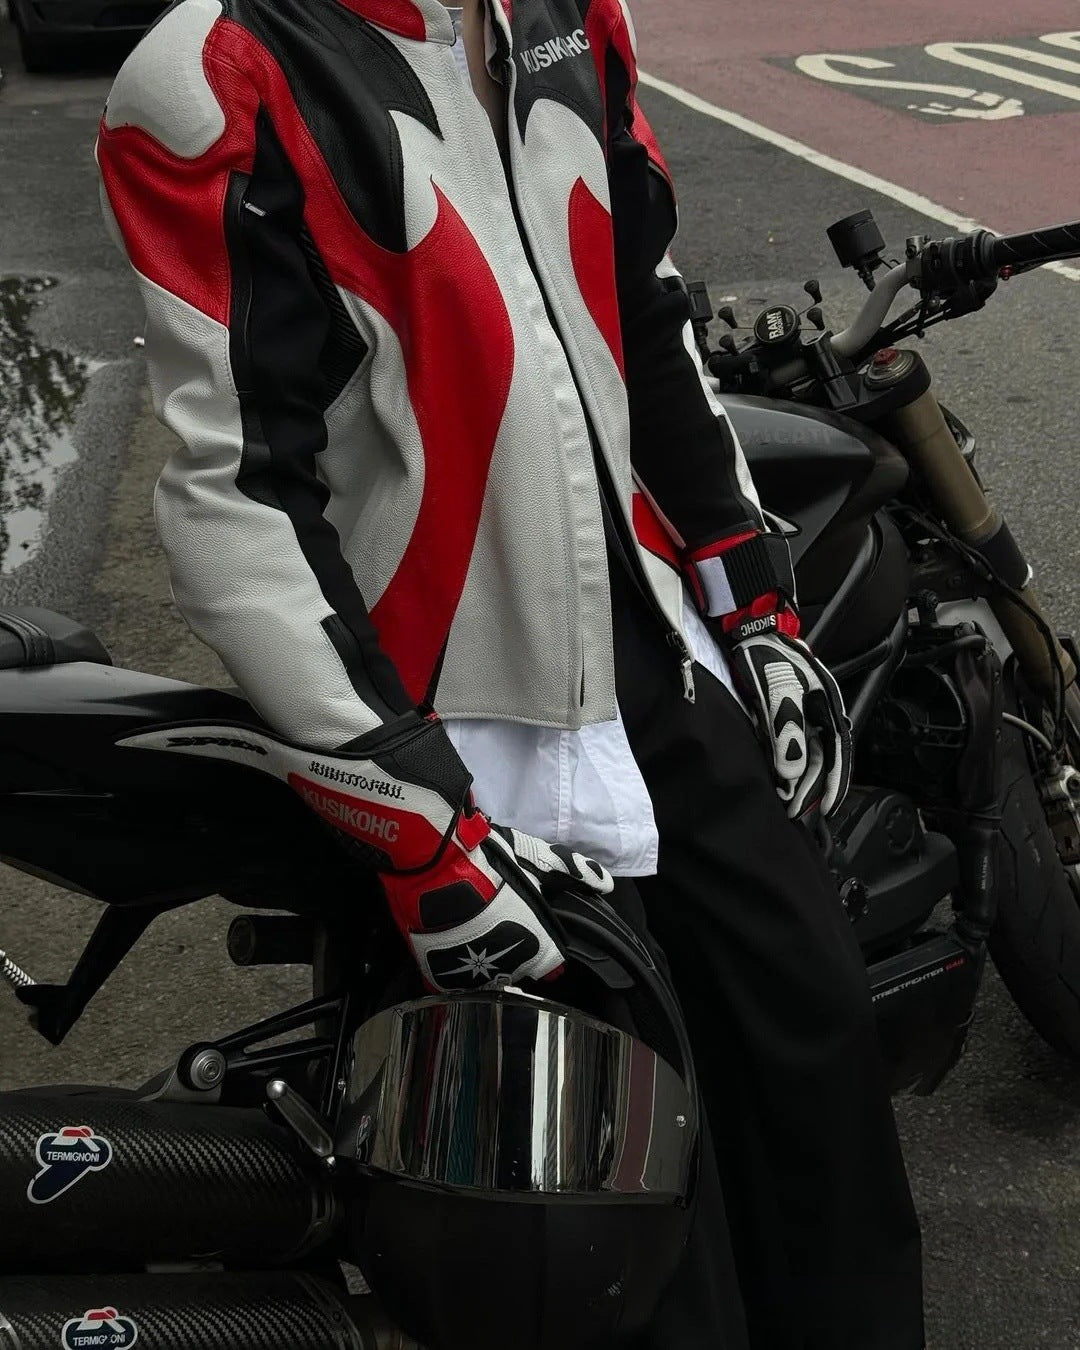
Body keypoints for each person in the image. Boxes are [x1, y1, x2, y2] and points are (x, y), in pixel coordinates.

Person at [95, 0, 924, 1343]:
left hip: (660, 657)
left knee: (821, 1105)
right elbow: (237, 492)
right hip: (454, 730)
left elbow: (646, 322)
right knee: (625, 1241)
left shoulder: (570, 16)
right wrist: (409, 814)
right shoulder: (214, 71)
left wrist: (757, 606)